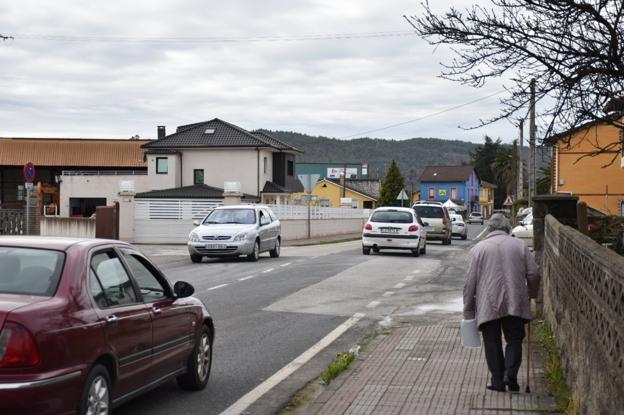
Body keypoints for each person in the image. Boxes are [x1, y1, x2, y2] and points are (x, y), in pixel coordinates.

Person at [463, 213, 540, 392]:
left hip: (488, 303)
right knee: (514, 339)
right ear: (508, 228)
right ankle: (510, 376)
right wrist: (532, 294)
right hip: (516, 300)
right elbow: (534, 274)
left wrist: (468, 310)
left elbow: (469, 283)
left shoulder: (478, 249)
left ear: (489, 228)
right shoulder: (520, 246)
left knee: (492, 341)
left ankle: (498, 381)